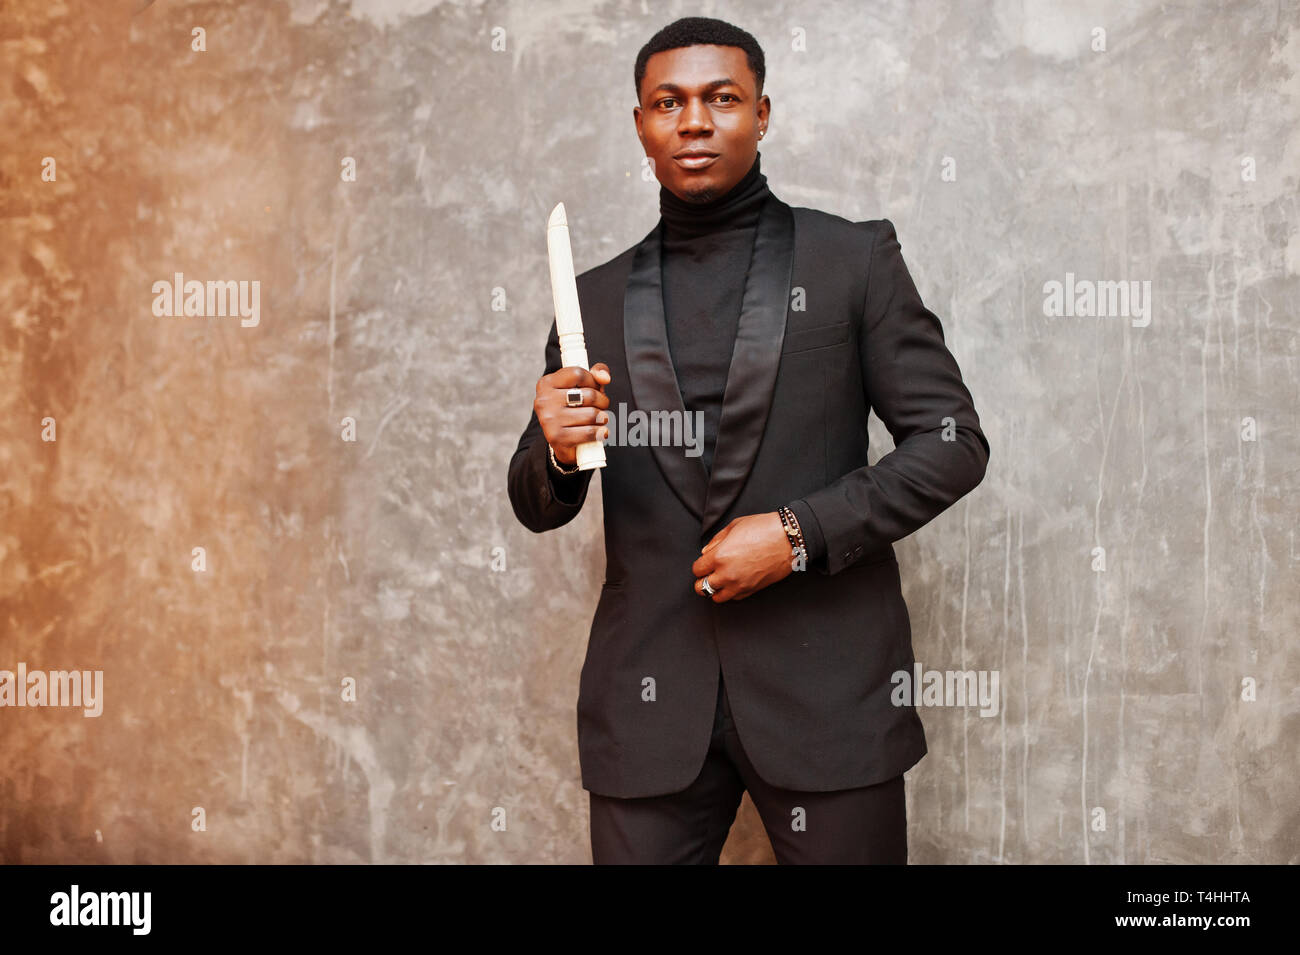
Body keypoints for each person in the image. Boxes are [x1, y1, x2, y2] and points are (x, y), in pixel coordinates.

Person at [507, 16, 990, 864]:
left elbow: (951, 442)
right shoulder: (591, 297)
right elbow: (540, 501)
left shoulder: (854, 261)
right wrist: (553, 448)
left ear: (762, 114)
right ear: (641, 125)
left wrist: (799, 533)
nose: (694, 121)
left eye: (720, 98)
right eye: (669, 102)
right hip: (648, 707)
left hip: (828, 698)